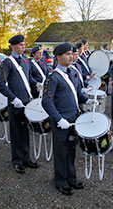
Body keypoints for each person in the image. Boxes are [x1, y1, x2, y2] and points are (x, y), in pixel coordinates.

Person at [42, 43, 96, 196]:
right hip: (61, 121)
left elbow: (77, 93)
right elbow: (46, 101)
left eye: (72, 54)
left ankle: (71, 178)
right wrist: (58, 119)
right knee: (61, 152)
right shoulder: (53, 77)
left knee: (71, 151)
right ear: (58, 57)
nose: (71, 56)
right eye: (67, 54)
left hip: (74, 118)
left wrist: (87, 100)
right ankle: (60, 181)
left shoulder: (73, 72)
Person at [0, 35, 41, 174]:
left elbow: (28, 79)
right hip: (15, 103)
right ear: (12, 46)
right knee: (16, 132)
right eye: (21, 45)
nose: (23, 47)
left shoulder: (25, 60)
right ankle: (17, 160)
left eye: (24, 44)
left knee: (25, 131)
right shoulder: (7, 63)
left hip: (26, 102)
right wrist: (13, 98)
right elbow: (1, 84)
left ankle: (26, 157)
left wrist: (37, 84)